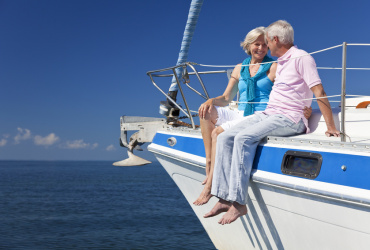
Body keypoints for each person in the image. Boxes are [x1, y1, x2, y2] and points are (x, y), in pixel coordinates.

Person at [204, 20, 340, 225]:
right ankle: (223, 197)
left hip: (289, 118)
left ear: (275, 39)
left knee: (243, 138)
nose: (266, 45)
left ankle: (239, 204)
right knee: (225, 136)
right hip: (270, 113)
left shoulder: (302, 58)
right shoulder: (283, 61)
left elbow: (318, 91)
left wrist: (330, 126)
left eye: (267, 41)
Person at [193, 27, 311, 206]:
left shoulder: (274, 67)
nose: (261, 48)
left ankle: (209, 185)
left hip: (259, 114)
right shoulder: (240, 68)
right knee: (204, 112)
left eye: (265, 45)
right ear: (248, 45)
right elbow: (226, 99)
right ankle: (209, 163)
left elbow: (293, 88)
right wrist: (211, 100)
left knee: (218, 132)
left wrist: (305, 107)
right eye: (257, 44)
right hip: (239, 111)